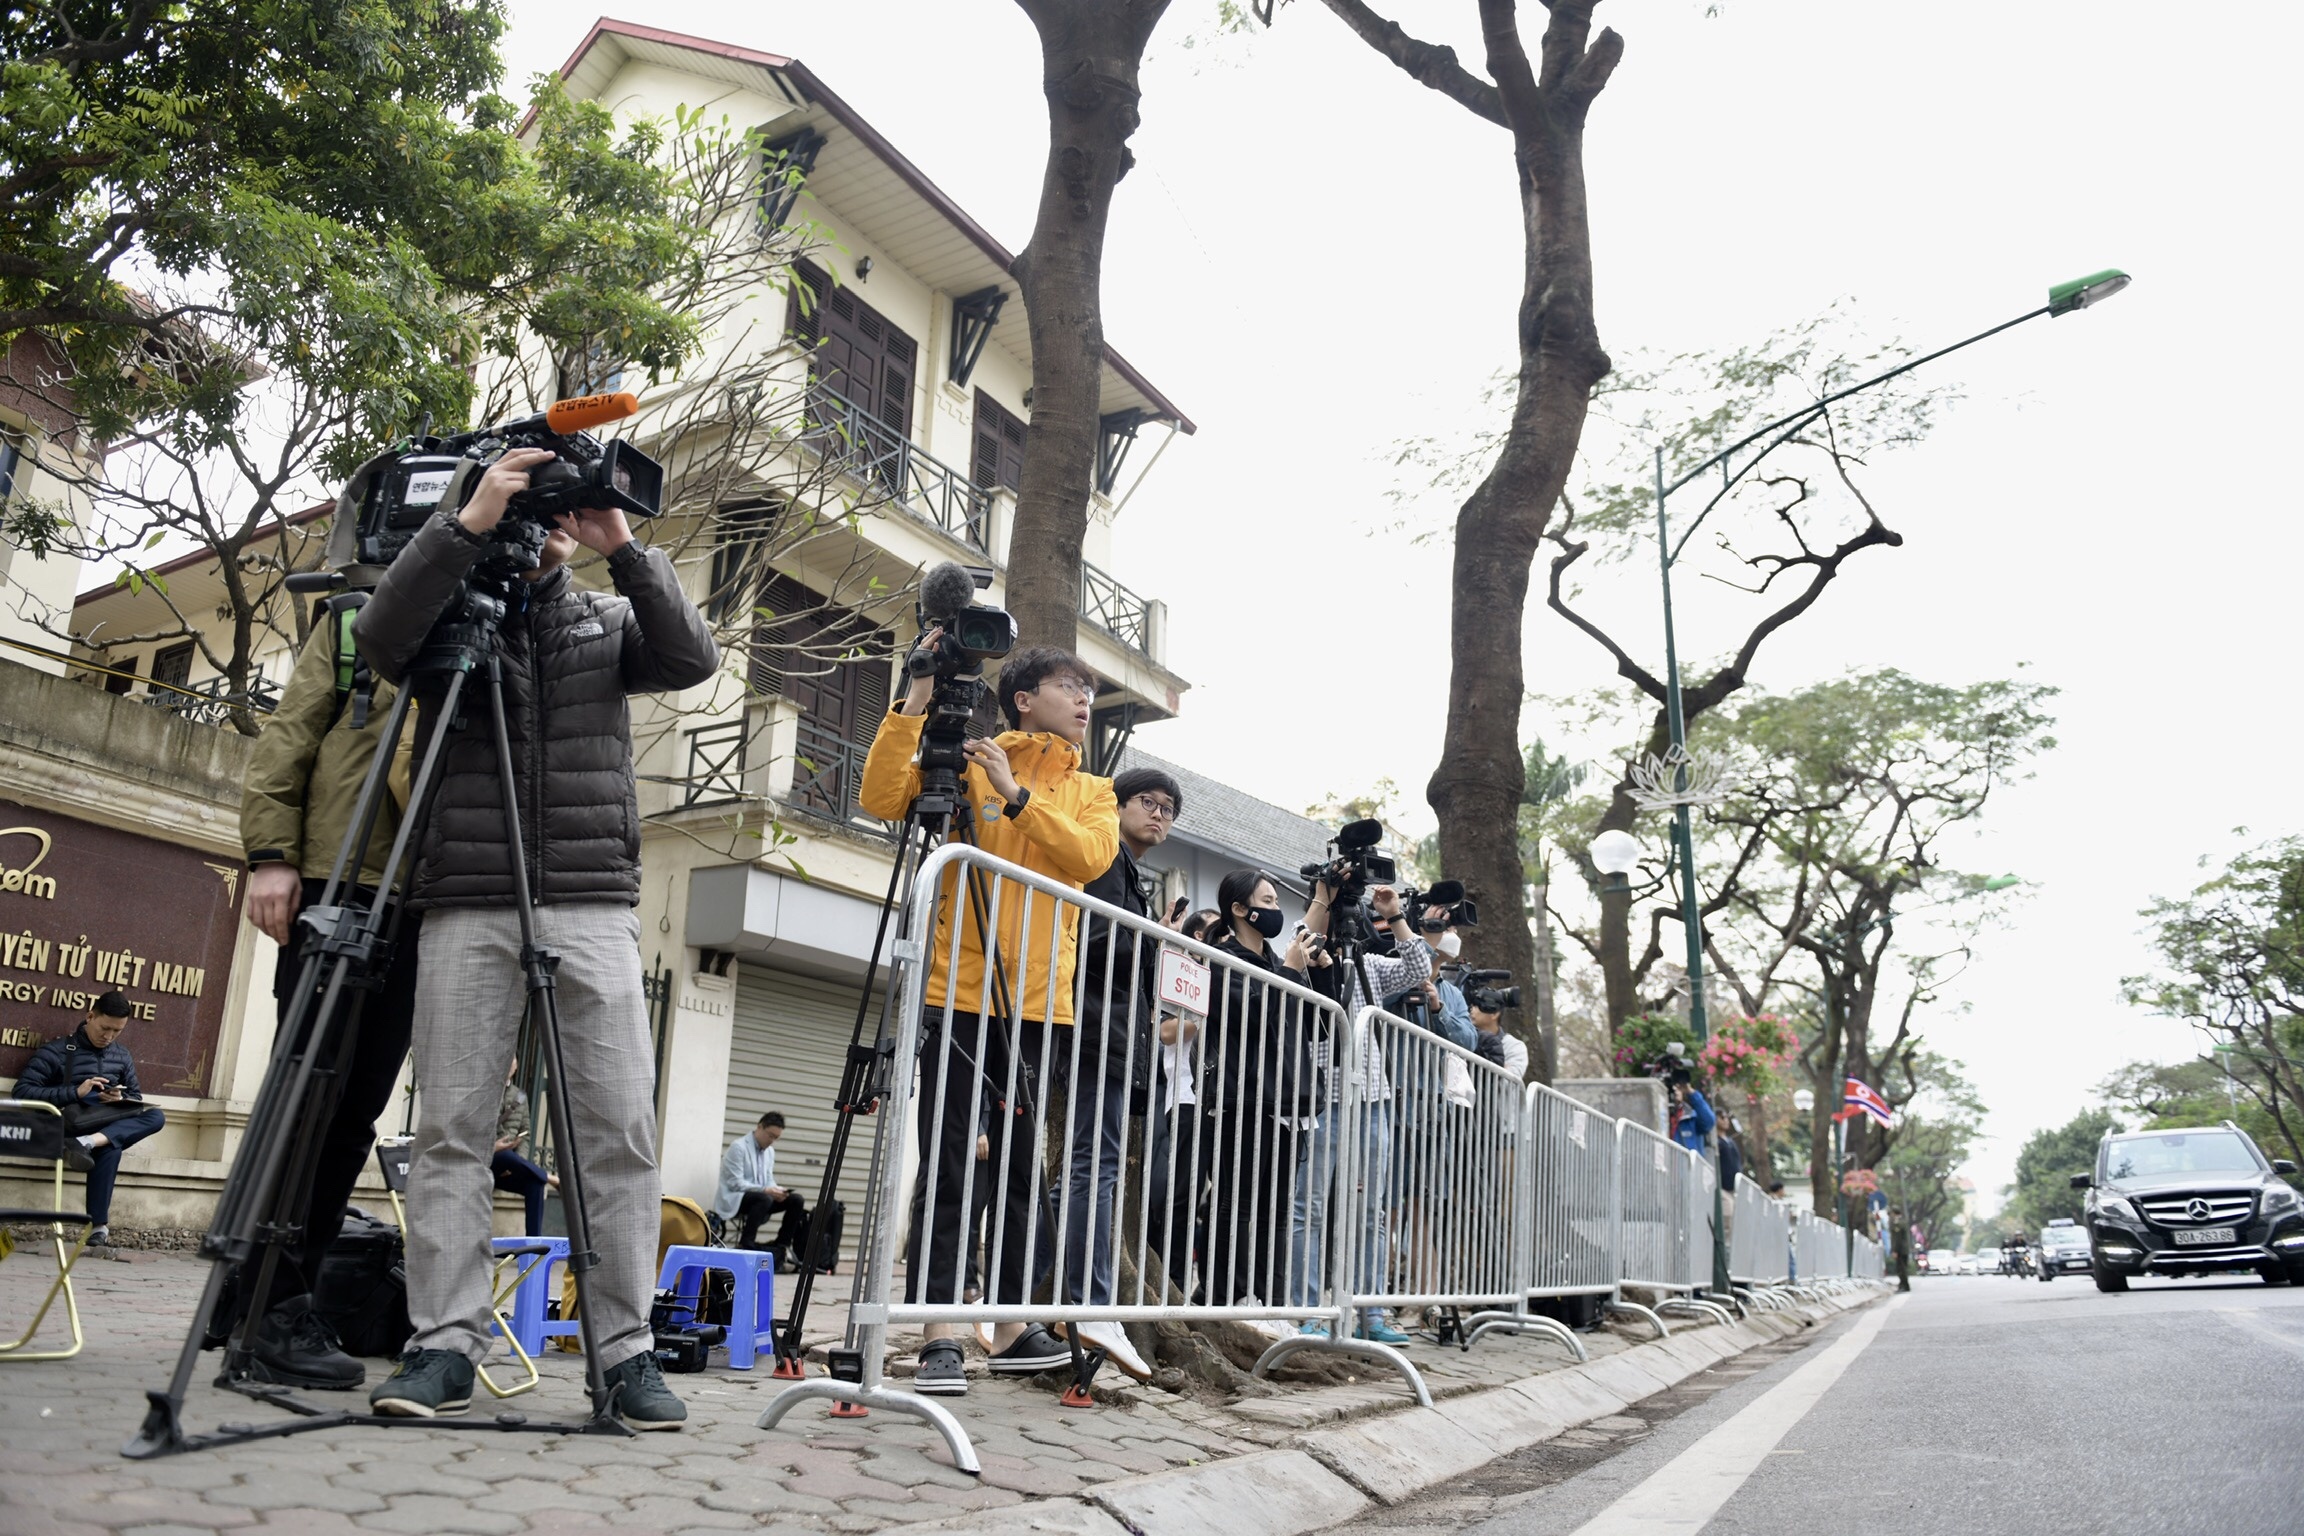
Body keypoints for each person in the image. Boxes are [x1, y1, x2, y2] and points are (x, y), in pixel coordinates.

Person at [353, 445, 718, 1427]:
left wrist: (621, 544)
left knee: (619, 1137)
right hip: (466, 899)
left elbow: (692, 657)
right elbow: (380, 635)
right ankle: (442, 1346)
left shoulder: (606, 619)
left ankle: (625, 1352)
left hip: (594, 901)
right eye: (541, 503)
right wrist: (472, 521)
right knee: (452, 1134)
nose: (552, 519)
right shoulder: (449, 618)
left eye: (563, 509)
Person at [858, 642, 1118, 1397]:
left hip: (1042, 1005)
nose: (1084, 702)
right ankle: (939, 1331)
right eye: (1071, 686)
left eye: (1089, 692)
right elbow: (882, 798)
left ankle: (1006, 1325)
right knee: (949, 1163)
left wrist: (1017, 799)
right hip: (956, 993)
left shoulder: (1093, 790)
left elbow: (1092, 859)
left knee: (1014, 1167)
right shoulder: (971, 757)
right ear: (1023, 698)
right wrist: (914, 699)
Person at [235, 570, 421, 1387]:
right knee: (305, 1098)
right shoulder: (356, 620)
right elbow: (287, 738)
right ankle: (270, 1307)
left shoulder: (490, 623)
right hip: (334, 878)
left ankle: (260, 1296)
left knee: (355, 1115)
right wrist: (269, 856)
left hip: (421, 896)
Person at [1058, 766, 1186, 1380]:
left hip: (1115, 1036)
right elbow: (1094, 942)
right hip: (1091, 1030)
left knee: (1096, 1166)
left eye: (1169, 809)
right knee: (1093, 1167)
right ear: (1119, 803)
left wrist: (1153, 938)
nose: (1158, 815)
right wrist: (1150, 940)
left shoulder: (1134, 873)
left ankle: (1076, 1295)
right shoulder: (1104, 856)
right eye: (1148, 802)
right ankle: (1086, 1301)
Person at [1290, 882, 1435, 1345]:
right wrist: (1322, 898)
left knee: (1371, 1212)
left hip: (1372, 1099)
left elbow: (1419, 965)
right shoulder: (1303, 953)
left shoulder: (1369, 963)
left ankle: (1370, 1312)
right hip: (1321, 1100)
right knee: (1308, 1210)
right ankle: (1308, 1311)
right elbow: (1297, 939)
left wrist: (1393, 915)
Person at [1199, 869, 1317, 1311]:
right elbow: (1250, 1017)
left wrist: (1314, 972)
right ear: (1239, 909)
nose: (1274, 910)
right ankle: (1224, 1303)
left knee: (1279, 1212)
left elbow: (1313, 1027)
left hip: (1288, 1101)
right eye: (1266, 901)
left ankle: (1275, 1306)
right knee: (1237, 1205)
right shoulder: (1219, 957)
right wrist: (1288, 969)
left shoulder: (1277, 960)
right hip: (1241, 1101)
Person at [13, 991, 166, 1254]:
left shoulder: (121, 1055)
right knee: (111, 1145)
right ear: (90, 1016)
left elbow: (135, 1098)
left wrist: (119, 1097)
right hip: (63, 1125)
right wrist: (75, 1092)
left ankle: (97, 1226)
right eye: (105, 1028)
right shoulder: (57, 1051)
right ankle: (99, 1224)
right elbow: (22, 1091)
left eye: (117, 1031)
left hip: (97, 1127)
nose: (109, 1036)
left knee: (155, 1116)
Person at [714, 1112, 809, 1263]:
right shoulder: (738, 1147)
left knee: (796, 1200)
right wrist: (766, 1190)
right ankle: (746, 1244)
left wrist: (777, 1190)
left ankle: (782, 1245)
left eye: (776, 1138)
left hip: (761, 1198)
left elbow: (768, 1180)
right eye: (770, 1135)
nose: (772, 1141)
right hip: (737, 1198)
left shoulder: (769, 1152)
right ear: (759, 1127)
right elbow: (735, 1183)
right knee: (763, 1198)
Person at [491, 1063, 555, 1238]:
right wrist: (493, 1148)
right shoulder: (486, 1092)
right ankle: (548, 1176)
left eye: (512, 1059)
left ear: (517, 1066)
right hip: (486, 1162)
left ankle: (533, 1248)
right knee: (504, 1154)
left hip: (510, 1166)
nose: (508, 1062)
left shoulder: (520, 1096)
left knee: (535, 1184)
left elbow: (525, 1134)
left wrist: (516, 1164)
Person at [1669, 1076, 1716, 1154]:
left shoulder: (1691, 1116)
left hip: (1687, 1165)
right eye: (1670, 1087)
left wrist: (1691, 1092)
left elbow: (1709, 1122)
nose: (1674, 1090)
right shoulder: (1658, 1114)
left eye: (1677, 1087)